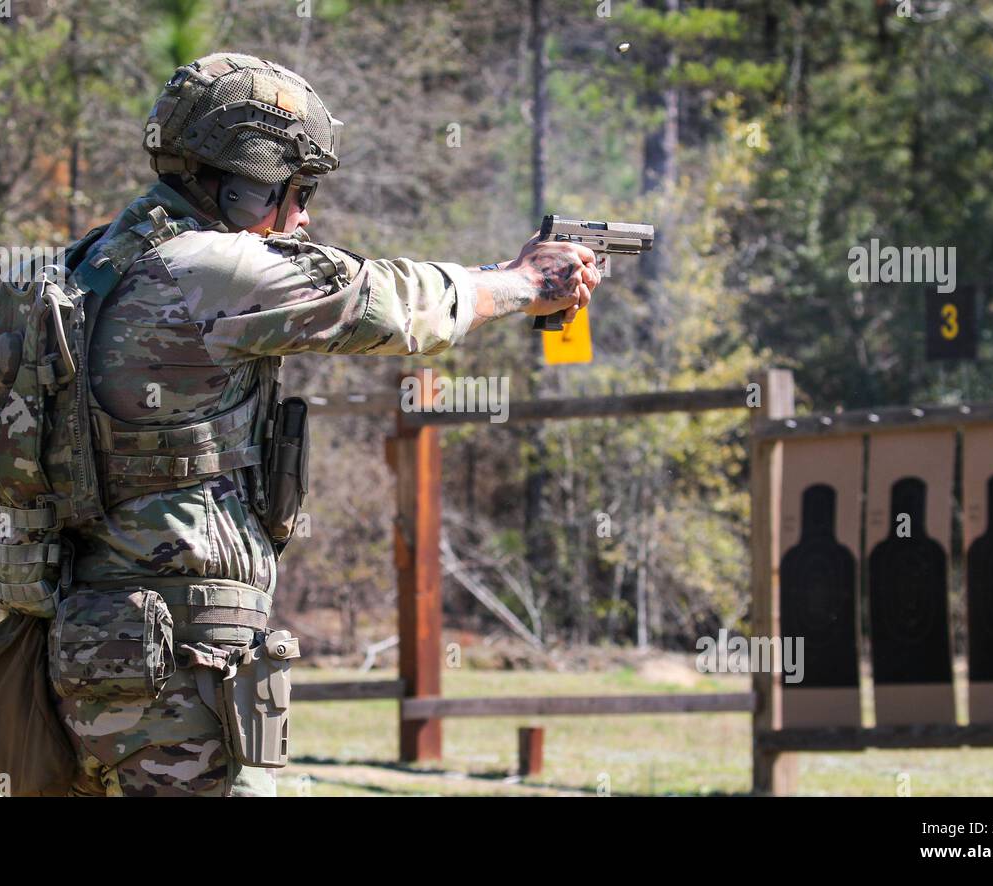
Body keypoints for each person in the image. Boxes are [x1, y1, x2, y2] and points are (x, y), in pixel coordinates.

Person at [51, 51, 599, 796]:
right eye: (295, 191)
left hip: (86, 636)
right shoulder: (209, 268)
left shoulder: (86, 265)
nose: (303, 215)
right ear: (243, 186)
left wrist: (501, 277)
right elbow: (385, 302)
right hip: (182, 652)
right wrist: (528, 283)